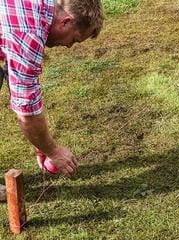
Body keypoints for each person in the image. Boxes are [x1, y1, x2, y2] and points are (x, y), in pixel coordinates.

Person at [0, 0, 104, 200]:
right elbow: (26, 108)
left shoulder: (38, 7)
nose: (68, 46)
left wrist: (41, 143)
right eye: (74, 39)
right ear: (65, 22)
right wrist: (53, 150)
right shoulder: (29, 32)